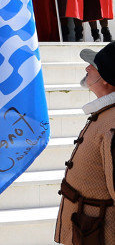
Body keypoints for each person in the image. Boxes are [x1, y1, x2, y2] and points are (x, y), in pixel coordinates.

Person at [54, 41, 115, 244]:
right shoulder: (107, 115)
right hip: (87, 228)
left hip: (98, 232)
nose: (87, 68)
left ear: (107, 79)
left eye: (95, 66)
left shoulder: (113, 124)